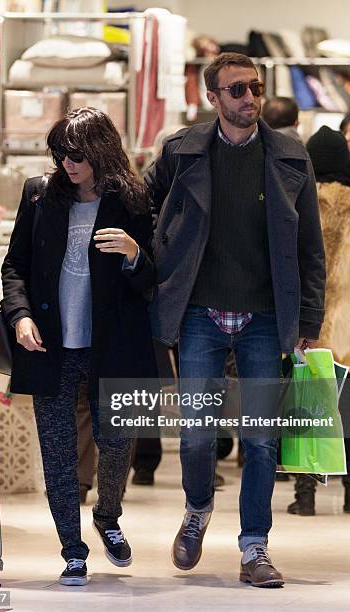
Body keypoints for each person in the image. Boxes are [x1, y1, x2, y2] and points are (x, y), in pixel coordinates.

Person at [145, 52, 325, 588]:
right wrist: (160, 252)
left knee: (261, 439)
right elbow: (143, 205)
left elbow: (311, 249)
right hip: (200, 311)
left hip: (267, 315)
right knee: (198, 435)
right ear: (213, 99)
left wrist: (309, 320)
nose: (250, 97)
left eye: (256, 87)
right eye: (238, 89)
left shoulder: (292, 156)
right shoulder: (182, 151)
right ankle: (198, 509)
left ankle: (254, 548)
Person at [1, 107, 157, 586]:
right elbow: (14, 267)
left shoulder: (131, 200)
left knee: (116, 444)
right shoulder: (40, 194)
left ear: (101, 152)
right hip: (51, 345)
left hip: (112, 343)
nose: (68, 163)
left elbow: (153, 281)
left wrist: (134, 255)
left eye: (78, 154)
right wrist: (21, 316)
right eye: (61, 153)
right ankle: (72, 547)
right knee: (58, 451)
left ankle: (107, 517)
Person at [287, 125, 350, 516]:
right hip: (348, 323)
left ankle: (305, 495)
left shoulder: (300, 204)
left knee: (308, 408)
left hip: (310, 322)